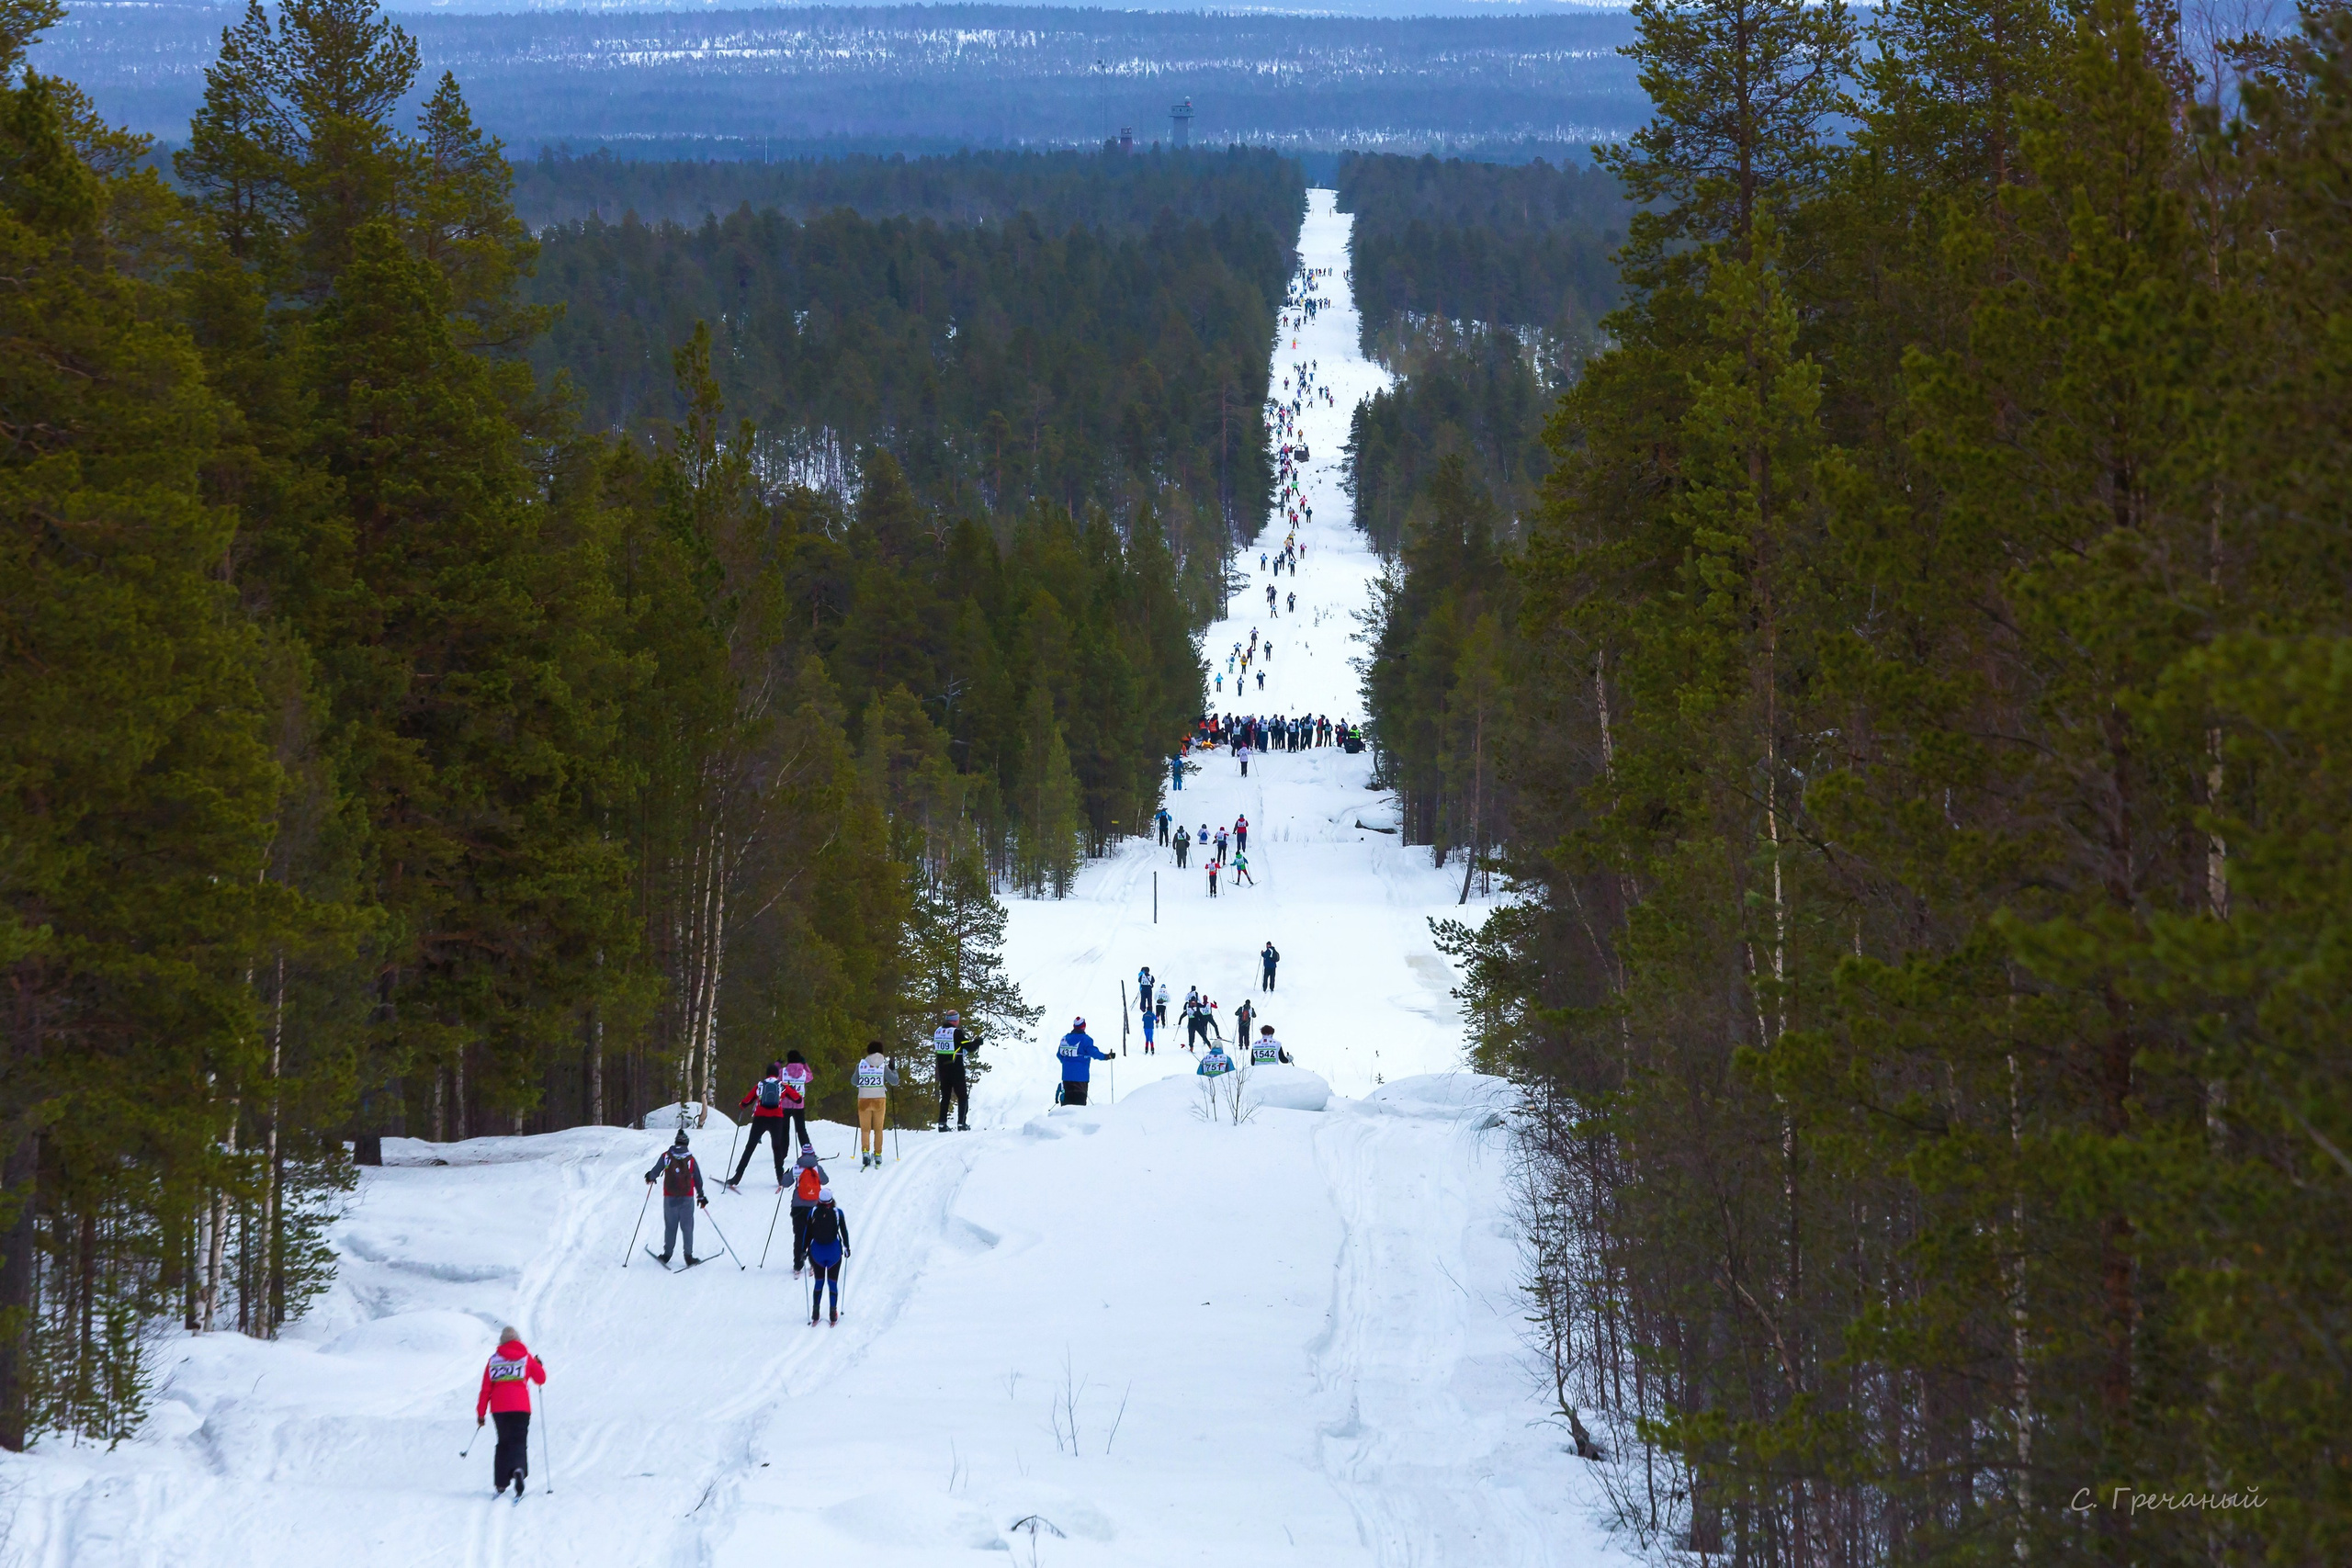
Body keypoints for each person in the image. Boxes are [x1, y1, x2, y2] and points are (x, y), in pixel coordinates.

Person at [474, 1325, 547, 1500]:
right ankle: (518, 1469)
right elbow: (540, 1379)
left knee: (503, 1443)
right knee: (519, 1441)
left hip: (499, 1409)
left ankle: (500, 1484)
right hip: (521, 1408)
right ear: (518, 1340)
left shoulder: (493, 1360)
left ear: (502, 1342)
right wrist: (537, 1365)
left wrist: (481, 1413)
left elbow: (485, 1390)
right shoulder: (525, 1358)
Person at [726, 1061, 794, 1191]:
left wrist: (742, 1105)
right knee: (777, 1148)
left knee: (750, 1147)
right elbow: (797, 1098)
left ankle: (737, 1177)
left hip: (760, 1118)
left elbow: (746, 1101)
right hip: (777, 1119)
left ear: (767, 1074)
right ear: (777, 1074)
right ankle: (780, 1178)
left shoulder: (760, 1085)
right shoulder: (782, 1085)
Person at [643, 1131, 707, 1266]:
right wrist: (700, 1195)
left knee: (670, 1226)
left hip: (669, 1197)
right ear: (686, 1143)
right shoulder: (690, 1159)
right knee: (687, 1226)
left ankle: (667, 1255)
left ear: (676, 1142)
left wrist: (650, 1176)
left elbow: (655, 1171)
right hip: (687, 1197)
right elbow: (697, 1178)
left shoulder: (666, 1156)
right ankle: (688, 1256)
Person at [806, 1187, 851, 1326]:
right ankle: (833, 1314)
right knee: (832, 1283)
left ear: (818, 1199)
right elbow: (844, 1231)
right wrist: (847, 1248)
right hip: (834, 1253)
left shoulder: (812, 1212)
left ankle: (815, 1314)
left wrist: (803, 1251)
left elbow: (807, 1234)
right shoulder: (838, 1213)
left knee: (818, 1283)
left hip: (817, 1252)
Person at [933, 1010, 978, 1132]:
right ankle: (961, 1124)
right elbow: (969, 1046)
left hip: (942, 1069)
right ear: (956, 1020)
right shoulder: (956, 1032)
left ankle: (942, 1124)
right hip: (956, 1069)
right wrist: (978, 1042)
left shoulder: (938, 1031)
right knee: (962, 1096)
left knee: (945, 1096)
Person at [854, 1043, 897, 1168]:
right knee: (878, 1129)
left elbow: (853, 1081)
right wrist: (893, 1070)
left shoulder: (861, 1064)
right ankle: (878, 1154)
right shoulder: (883, 1066)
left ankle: (865, 1153)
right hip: (879, 1099)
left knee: (865, 1129)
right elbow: (894, 1081)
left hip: (863, 1098)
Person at [789, 1145, 831, 1276]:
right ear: (813, 1154)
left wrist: (786, 1174)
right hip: (814, 1206)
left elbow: (785, 1182)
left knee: (799, 1236)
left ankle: (798, 1265)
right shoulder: (817, 1168)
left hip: (797, 1206)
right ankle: (814, 1265)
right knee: (813, 1235)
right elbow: (825, 1181)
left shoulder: (797, 1167)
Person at [1055, 1017, 1114, 1107]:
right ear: (1084, 1026)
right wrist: (1107, 1056)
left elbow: (1059, 1055)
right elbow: (1094, 1053)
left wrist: (1067, 1063)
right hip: (1081, 1077)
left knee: (1067, 1105)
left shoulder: (1065, 1039)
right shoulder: (1086, 1040)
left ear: (1074, 1026)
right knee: (1079, 1105)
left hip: (1066, 1076)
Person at [776, 1050, 814, 1150]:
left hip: (785, 1105)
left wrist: (777, 1065)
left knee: (784, 1130)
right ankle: (807, 1151)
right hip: (799, 1105)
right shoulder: (803, 1073)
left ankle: (782, 1153)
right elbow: (810, 1077)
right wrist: (805, 1064)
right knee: (801, 1129)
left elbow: (774, 1078)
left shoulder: (783, 1072)